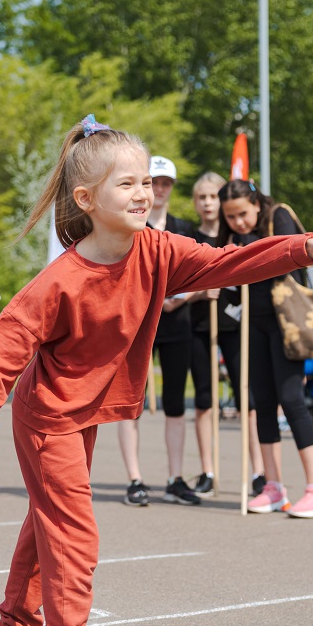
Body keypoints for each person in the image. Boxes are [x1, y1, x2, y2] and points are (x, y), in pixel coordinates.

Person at [0, 116, 313, 626]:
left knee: (49, 527)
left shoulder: (158, 249)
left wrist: (305, 249)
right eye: (127, 184)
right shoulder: (59, 281)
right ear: (87, 200)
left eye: (147, 181)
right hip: (48, 419)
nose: (144, 193)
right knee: (74, 537)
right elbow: (2, 348)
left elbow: (230, 263)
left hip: (83, 412)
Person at [217, 179, 313, 517]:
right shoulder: (232, 236)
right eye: (231, 217)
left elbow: (293, 258)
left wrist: (250, 249)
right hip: (252, 324)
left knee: (291, 399)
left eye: (243, 214)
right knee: (262, 401)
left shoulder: (279, 217)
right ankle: (273, 486)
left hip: (286, 322)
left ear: (256, 204)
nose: (239, 222)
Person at [116, 156, 202, 506]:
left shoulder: (185, 228)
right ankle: (135, 479)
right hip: (138, 324)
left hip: (178, 322)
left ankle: (175, 477)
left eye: (166, 183)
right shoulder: (130, 225)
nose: (160, 189)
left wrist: (180, 298)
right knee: (129, 403)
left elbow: (200, 271)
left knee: (176, 403)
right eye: (154, 182)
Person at [186, 171, 265, 494]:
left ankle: (259, 471)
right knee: (204, 399)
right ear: (195, 202)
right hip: (200, 323)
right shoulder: (188, 237)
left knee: (247, 397)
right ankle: (207, 470)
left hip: (235, 324)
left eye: (213, 196)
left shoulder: (236, 234)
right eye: (201, 197)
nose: (208, 203)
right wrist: (201, 291)